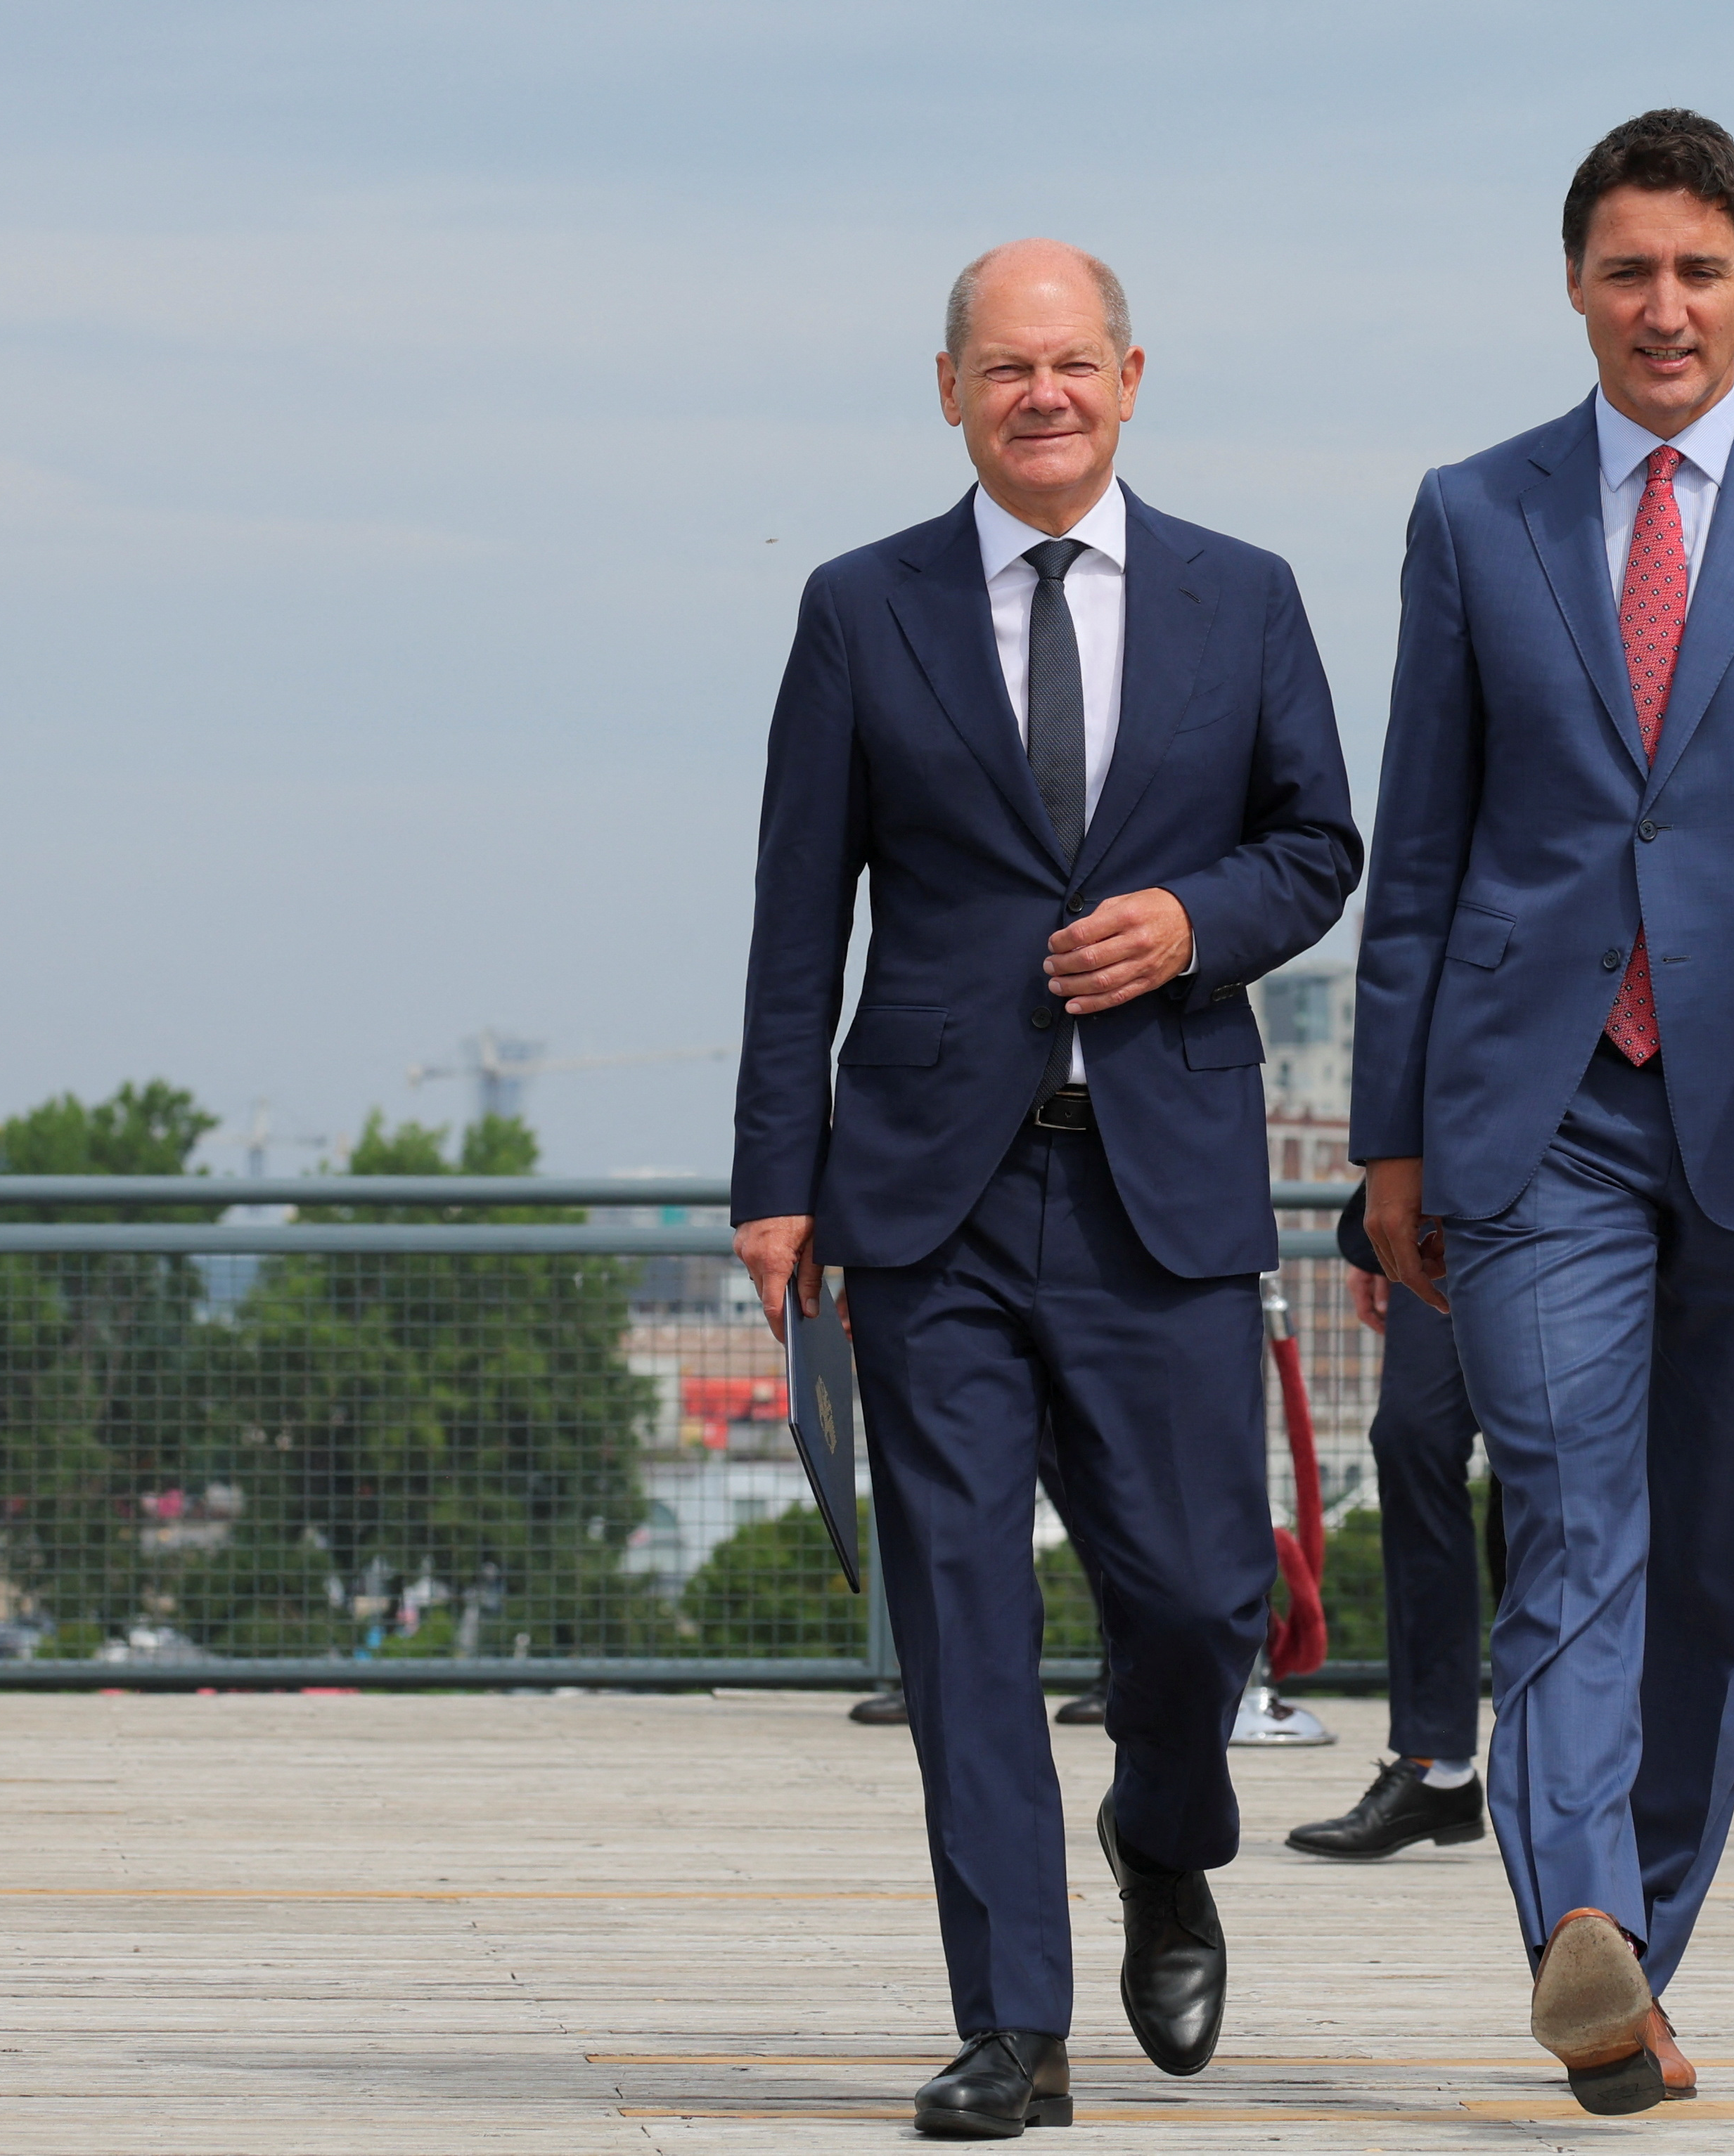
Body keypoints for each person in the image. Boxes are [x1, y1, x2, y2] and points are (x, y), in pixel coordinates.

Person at [1352, 111, 1734, 2115]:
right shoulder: (1474, 513)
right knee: (1568, 1520)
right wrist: (1388, 1136)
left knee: (1708, 1570)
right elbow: (1420, 851)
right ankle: (1573, 1925)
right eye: (1626, 270)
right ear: (1572, 287)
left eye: (1696, 271)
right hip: (1538, 1117)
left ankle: (1626, 1968)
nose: (1661, 306)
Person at [731, 238, 1359, 2138]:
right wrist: (777, 1177)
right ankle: (1012, 2018)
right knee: (959, 1618)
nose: (1040, 392)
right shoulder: (861, 609)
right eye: (1003, 366)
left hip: (1157, 1180)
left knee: (1195, 1594)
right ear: (948, 391)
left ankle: (1164, 1836)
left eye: (1071, 361)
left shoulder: (1240, 598)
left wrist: (1193, 924)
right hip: (923, 1190)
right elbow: (792, 919)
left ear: (1130, 376)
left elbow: (1319, 843)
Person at [1285, 1189, 1489, 1859]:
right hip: (1453, 1207)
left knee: (1544, 1471)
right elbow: (1407, 1079)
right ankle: (1437, 1764)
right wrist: (1381, 1218)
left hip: (1593, 1185)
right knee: (1411, 1436)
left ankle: (1558, 1769)